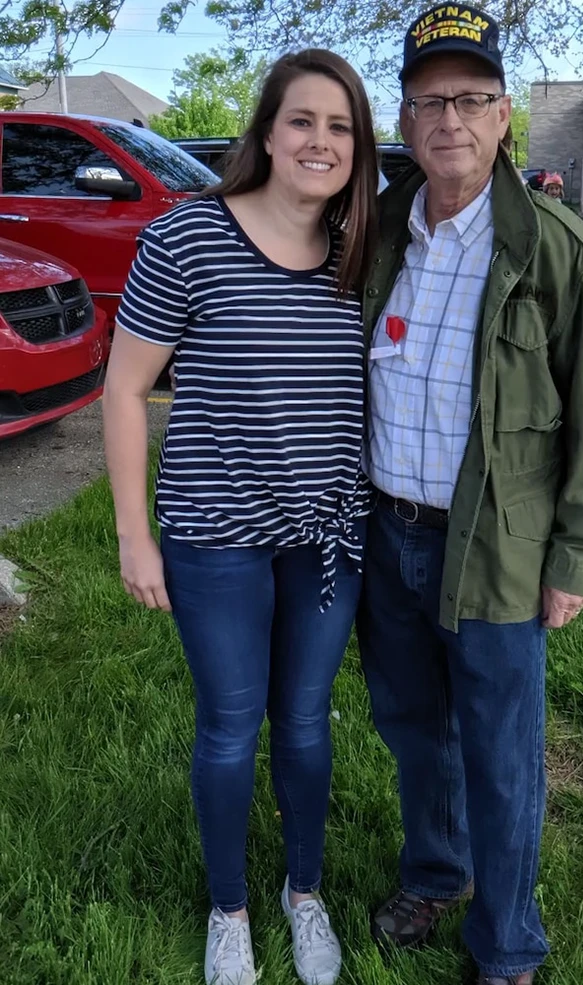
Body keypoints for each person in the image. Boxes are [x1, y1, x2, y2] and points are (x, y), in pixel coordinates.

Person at [357, 5, 583, 984]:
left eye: (470, 99)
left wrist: (576, 557)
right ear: (403, 116)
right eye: (429, 100)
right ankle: (434, 872)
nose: (449, 119)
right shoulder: (380, 238)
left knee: (499, 752)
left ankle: (508, 943)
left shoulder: (556, 250)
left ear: (503, 116)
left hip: (499, 549)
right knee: (412, 730)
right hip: (386, 538)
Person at [103, 49, 378, 985]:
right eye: (303, 120)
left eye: (340, 127)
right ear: (266, 132)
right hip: (213, 534)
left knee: (304, 722)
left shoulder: (358, 252)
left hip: (327, 537)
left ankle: (306, 895)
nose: (320, 141)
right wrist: (133, 532)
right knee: (230, 725)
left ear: (357, 148)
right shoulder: (189, 238)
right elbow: (126, 389)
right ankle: (231, 912)